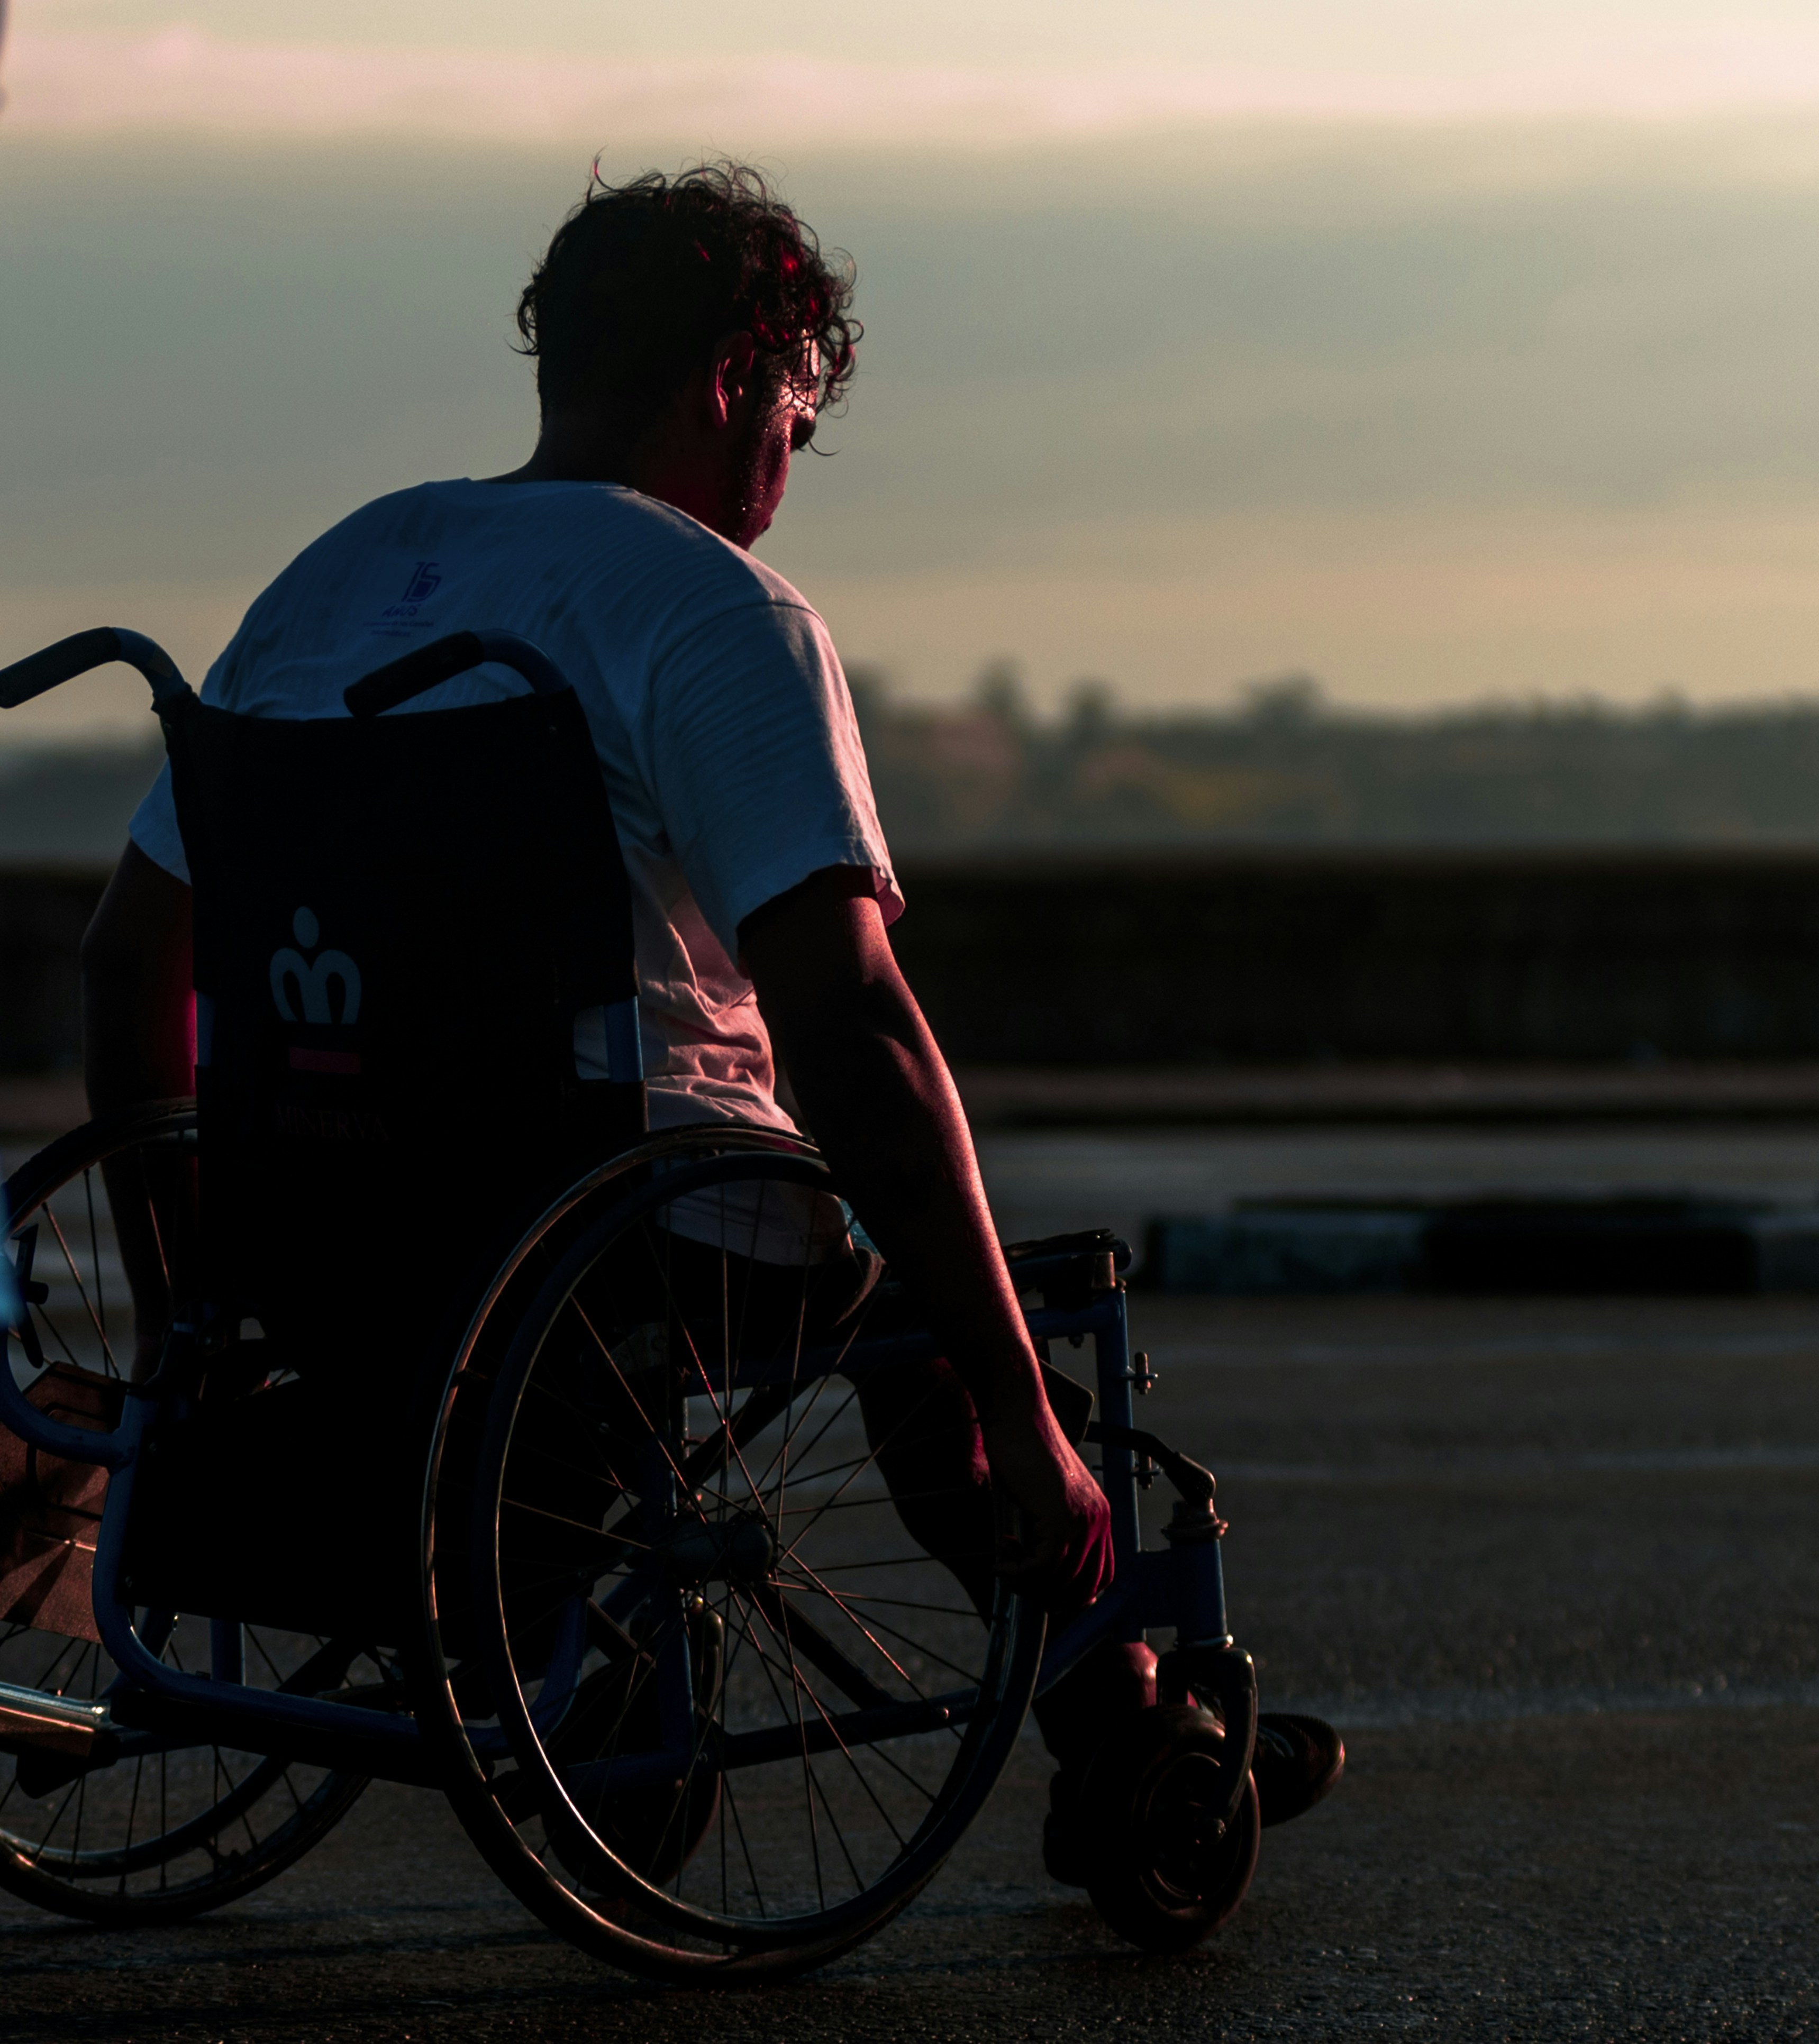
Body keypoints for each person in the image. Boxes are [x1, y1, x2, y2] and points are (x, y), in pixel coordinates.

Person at [80, 161, 1338, 1853]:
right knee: (938, 1327)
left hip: (324, 1226)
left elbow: (122, 962)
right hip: (631, 1225)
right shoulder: (711, 612)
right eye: (792, 431)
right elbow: (854, 1029)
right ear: (737, 374)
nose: (779, 481)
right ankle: (1118, 1721)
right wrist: (1019, 1405)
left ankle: (587, 1649)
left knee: (769, 1273)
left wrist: (185, 1298)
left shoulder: (335, 575)